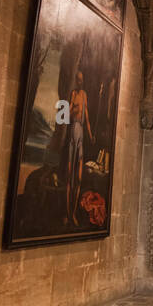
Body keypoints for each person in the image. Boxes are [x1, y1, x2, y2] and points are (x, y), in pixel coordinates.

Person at [63, 70, 94, 226]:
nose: (80, 82)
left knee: (79, 177)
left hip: (81, 131)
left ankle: (73, 213)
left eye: (82, 79)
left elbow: (86, 115)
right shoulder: (73, 94)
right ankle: (68, 214)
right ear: (75, 80)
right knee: (70, 176)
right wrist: (71, 109)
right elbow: (64, 114)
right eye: (78, 79)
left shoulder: (84, 94)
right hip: (72, 131)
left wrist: (90, 134)